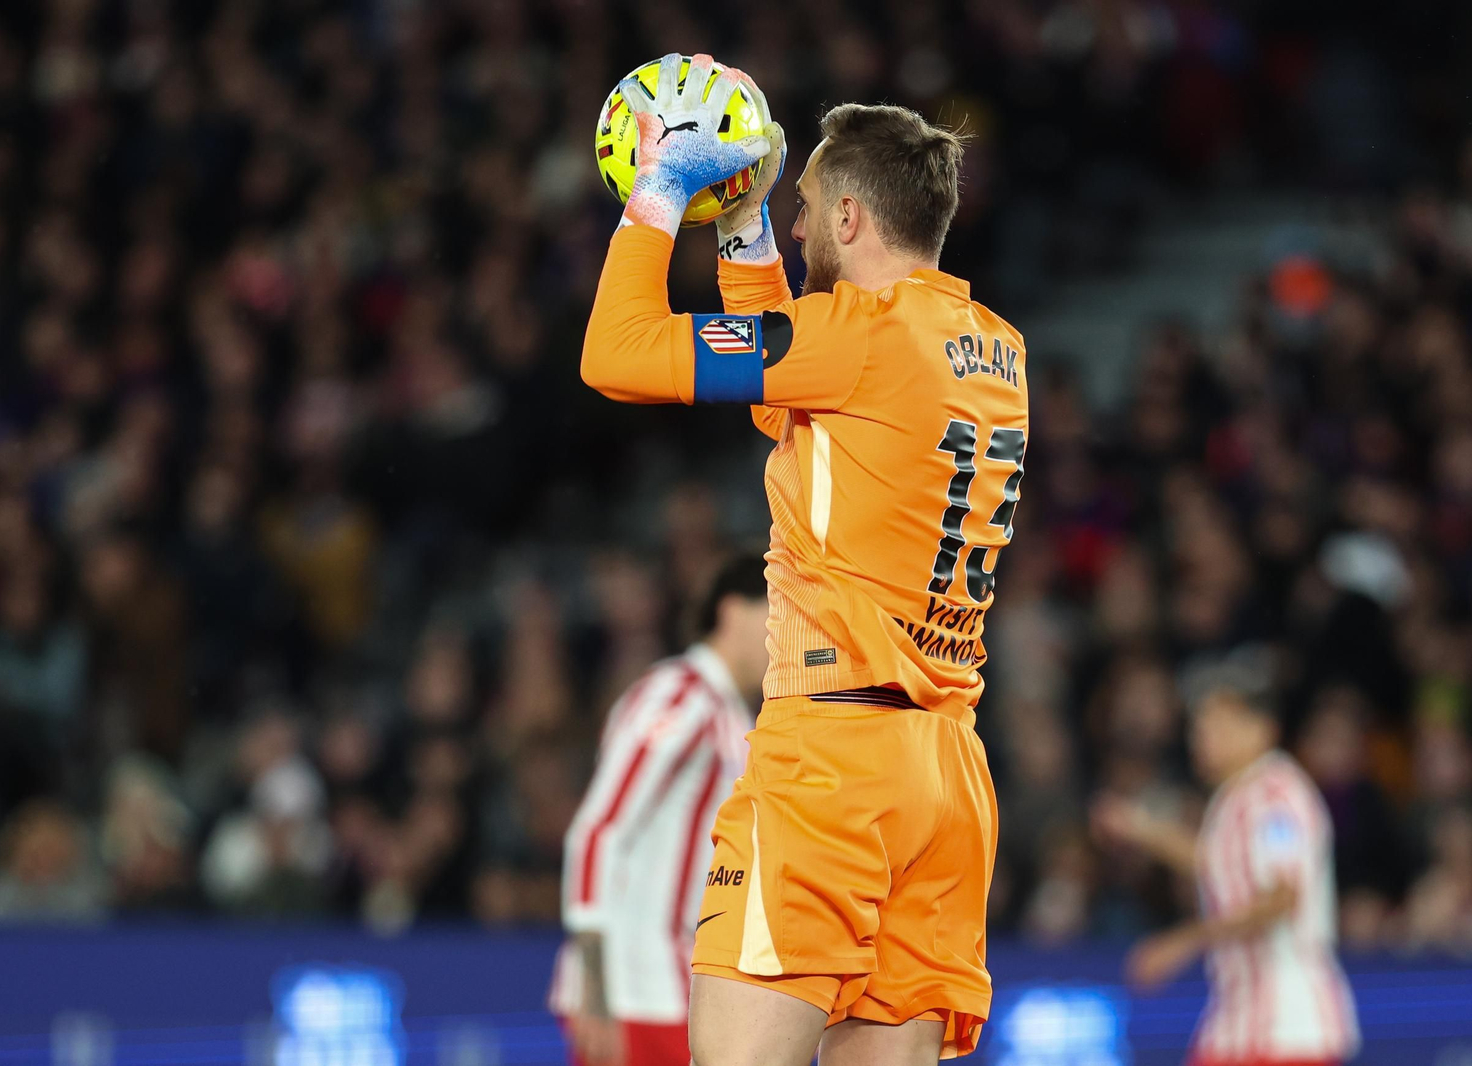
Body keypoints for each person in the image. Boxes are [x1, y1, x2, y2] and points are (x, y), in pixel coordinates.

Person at [580, 53, 1027, 1066]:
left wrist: (662, 186)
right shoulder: (991, 345)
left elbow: (615, 351)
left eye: (807, 207)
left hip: (831, 762)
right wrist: (739, 226)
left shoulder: (854, 337)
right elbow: (787, 393)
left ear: (853, 221)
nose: (796, 225)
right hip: (945, 772)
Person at [552, 556, 769, 1066]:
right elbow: (598, 832)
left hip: (677, 984)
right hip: (636, 989)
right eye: (776, 616)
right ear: (734, 611)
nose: (785, 638)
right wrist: (597, 988)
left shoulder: (729, 712)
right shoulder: (680, 697)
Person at [1092, 677, 1361, 1066]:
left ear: (1262, 729)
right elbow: (1216, 861)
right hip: (1237, 1020)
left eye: (1218, 725)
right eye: (1199, 727)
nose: (1202, 738)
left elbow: (1281, 898)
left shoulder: (1277, 797)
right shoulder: (1238, 794)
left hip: (1288, 1026)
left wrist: (1182, 943)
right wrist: (1137, 827)